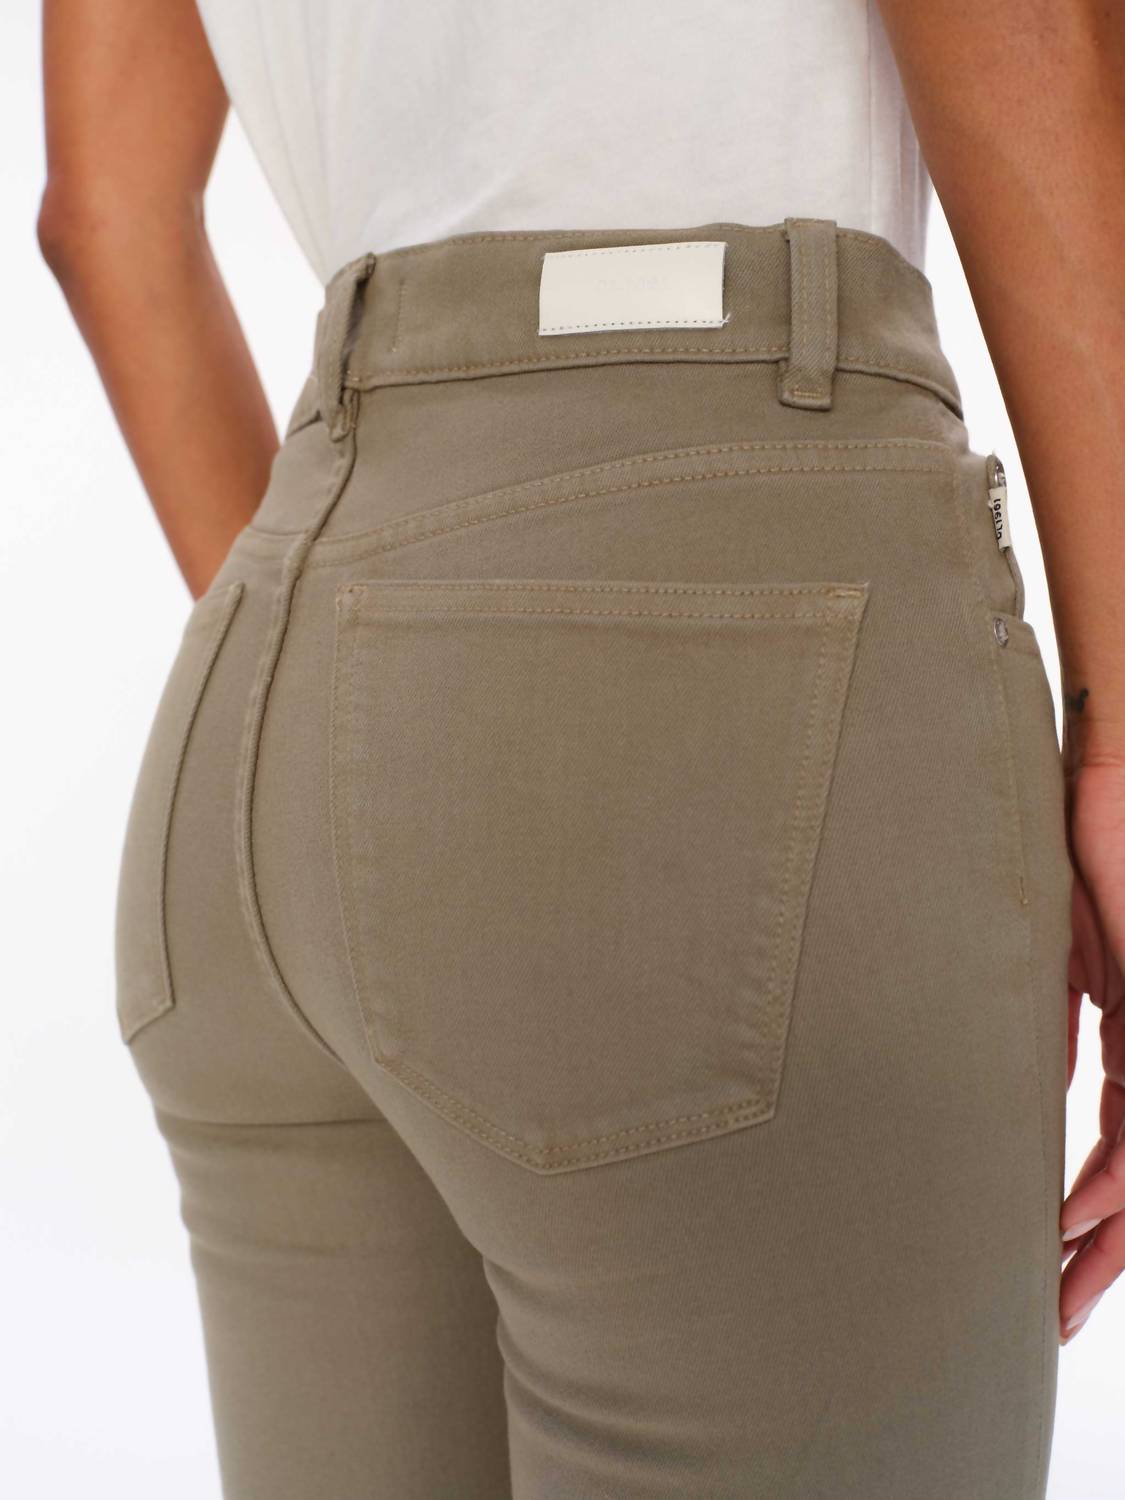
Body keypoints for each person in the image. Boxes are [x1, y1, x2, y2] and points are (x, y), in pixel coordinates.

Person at [38, 1, 1124, 1496]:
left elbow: (104, 214)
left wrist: (389, 733)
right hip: (713, 609)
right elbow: (1024, 33)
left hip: (267, 681)